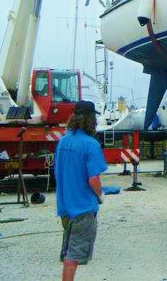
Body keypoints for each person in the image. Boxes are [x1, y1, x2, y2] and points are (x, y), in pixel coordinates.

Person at [54, 100, 107, 281]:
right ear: (91, 119)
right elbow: (93, 179)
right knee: (74, 255)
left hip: (65, 208)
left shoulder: (63, 141)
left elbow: (59, 173)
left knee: (69, 251)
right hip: (83, 208)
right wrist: (100, 195)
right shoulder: (90, 144)